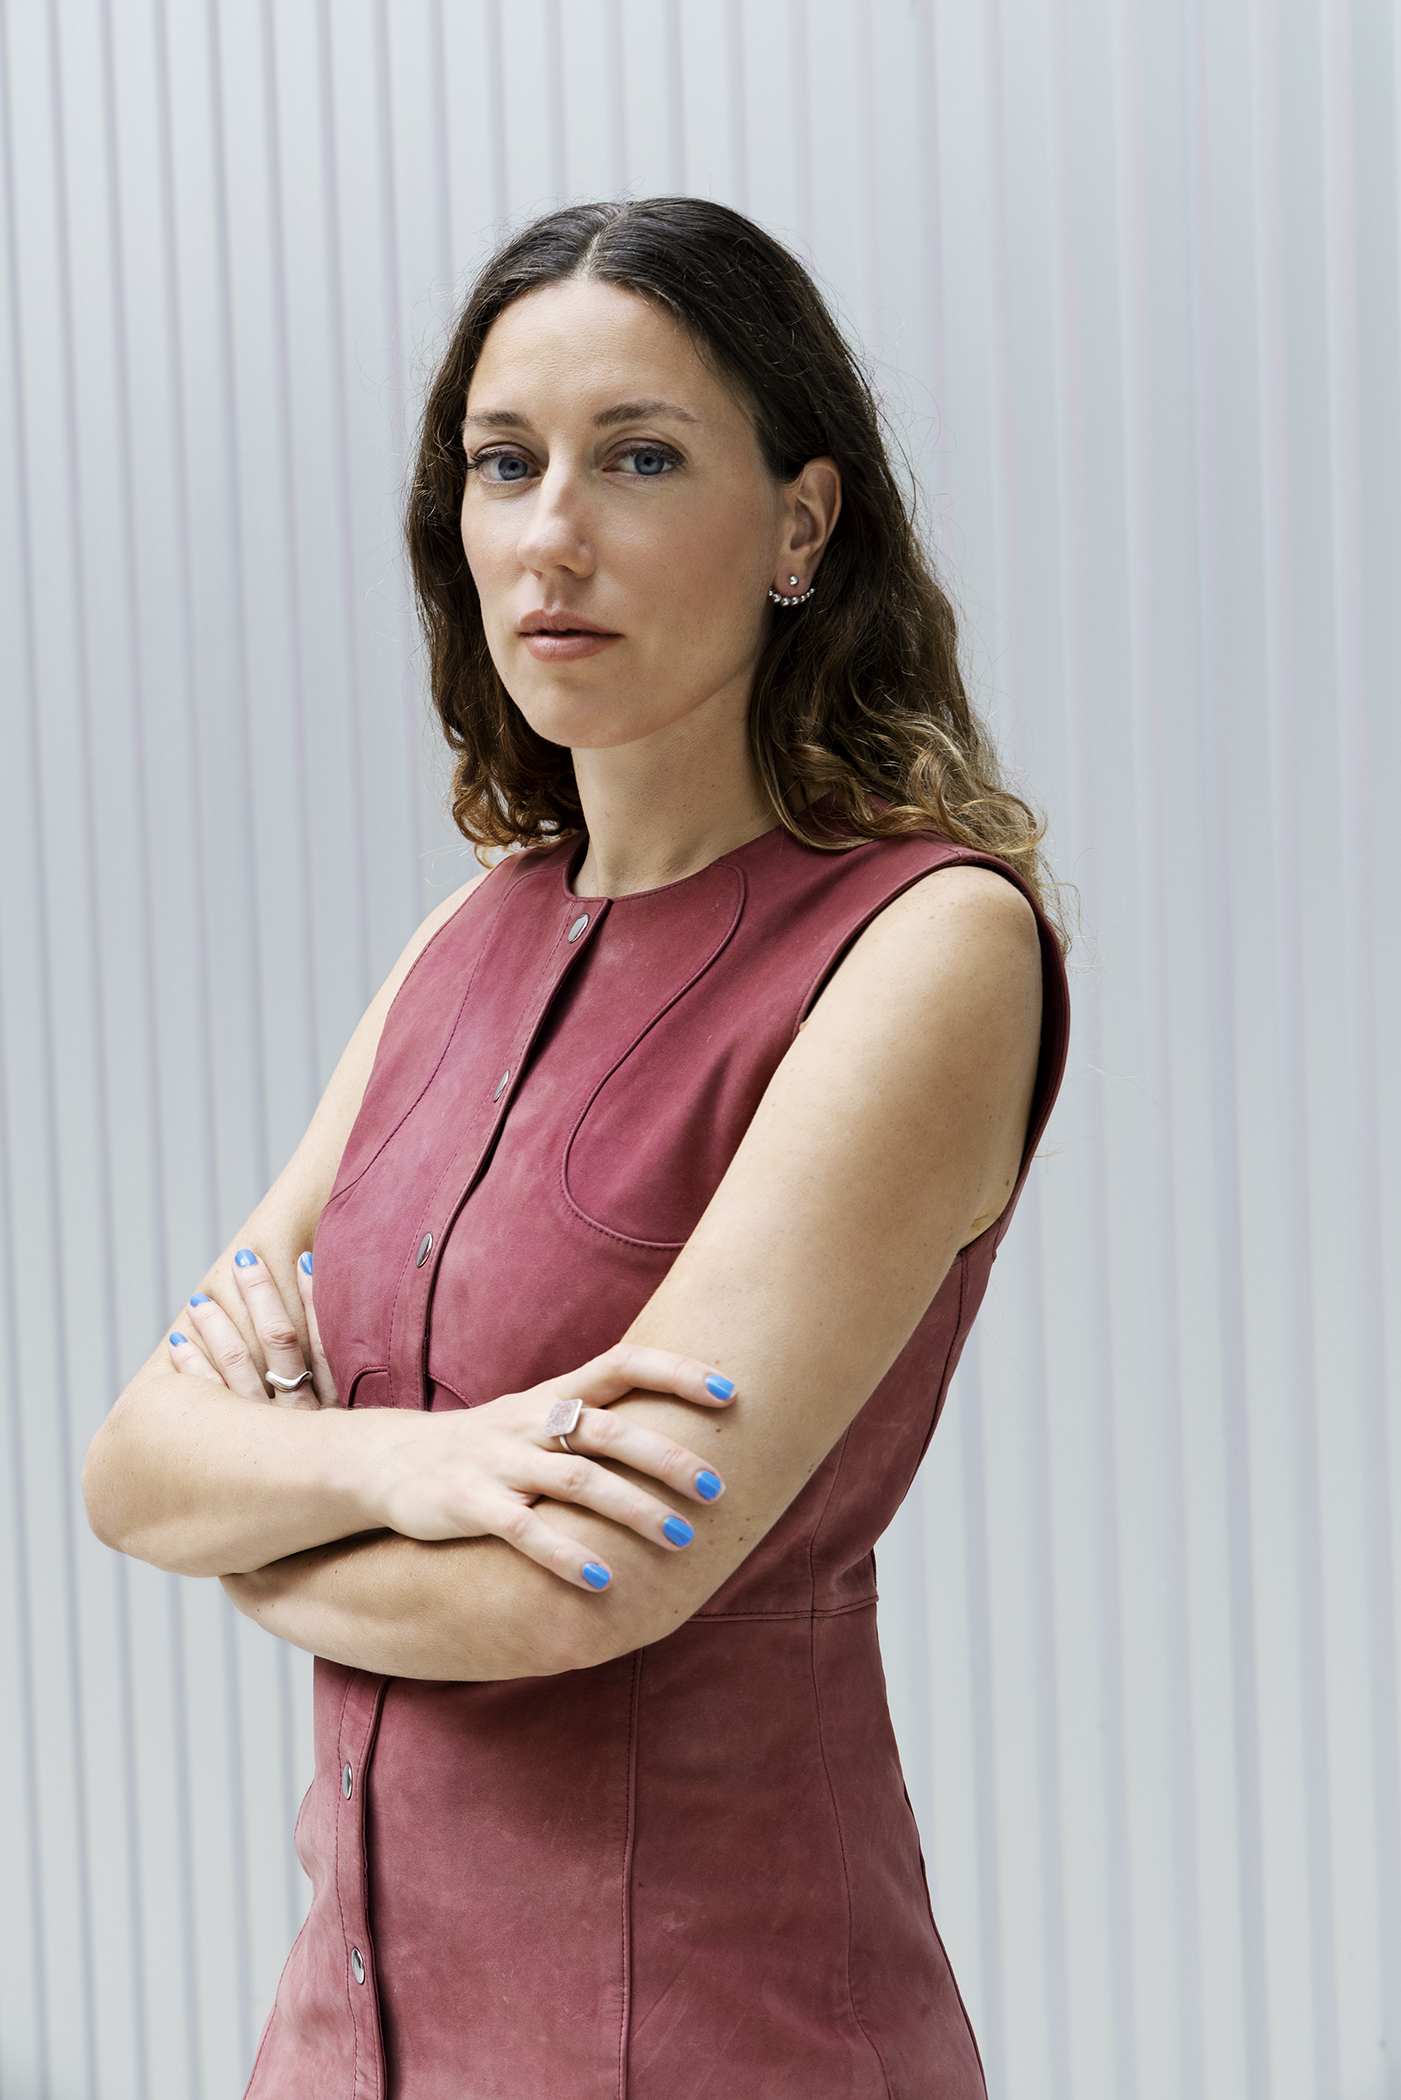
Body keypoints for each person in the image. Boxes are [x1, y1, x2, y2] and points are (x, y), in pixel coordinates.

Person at [83, 197, 1069, 2099]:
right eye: (502, 462)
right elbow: (136, 1464)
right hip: (343, 2047)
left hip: (717, 2043)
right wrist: (414, 1464)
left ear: (801, 525)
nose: (552, 534)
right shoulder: (462, 940)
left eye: (640, 457)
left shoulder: (924, 942)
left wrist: (260, 1546)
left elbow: (589, 1581)